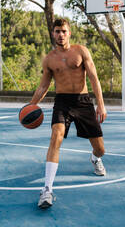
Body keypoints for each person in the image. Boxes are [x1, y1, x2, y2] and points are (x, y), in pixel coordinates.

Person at [30, 18, 107, 209]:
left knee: (101, 149)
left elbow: (94, 78)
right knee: (56, 137)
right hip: (62, 102)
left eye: (64, 31)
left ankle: (95, 158)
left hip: (83, 102)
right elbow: (44, 86)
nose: (60, 35)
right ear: (53, 34)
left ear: (69, 33)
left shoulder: (81, 51)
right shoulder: (49, 59)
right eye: (57, 31)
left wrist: (101, 105)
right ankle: (47, 189)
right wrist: (31, 105)